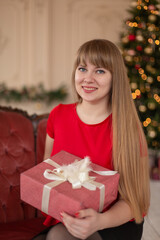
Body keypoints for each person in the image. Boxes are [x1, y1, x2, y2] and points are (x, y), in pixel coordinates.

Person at [33, 39, 150, 240]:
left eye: (100, 71)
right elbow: (48, 171)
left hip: (114, 222)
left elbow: (136, 201)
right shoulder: (58, 115)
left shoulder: (127, 128)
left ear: (116, 78)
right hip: (67, 217)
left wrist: (100, 221)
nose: (88, 78)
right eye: (82, 68)